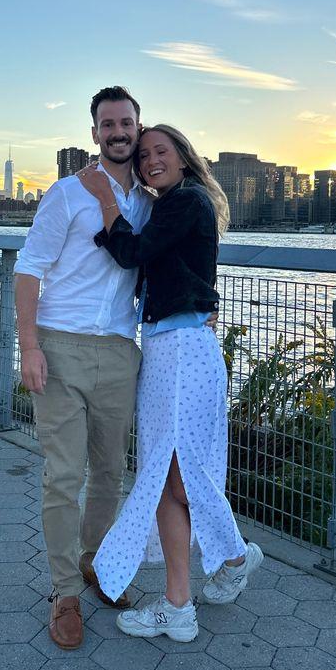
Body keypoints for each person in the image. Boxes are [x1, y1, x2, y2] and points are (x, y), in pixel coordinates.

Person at [77, 124, 263, 642]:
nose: (151, 160)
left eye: (161, 151)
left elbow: (132, 253)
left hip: (181, 351)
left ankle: (204, 582)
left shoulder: (186, 201)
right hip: (169, 348)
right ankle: (214, 571)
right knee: (170, 477)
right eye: (144, 156)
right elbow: (169, 269)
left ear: (183, 156)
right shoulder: (175, 205)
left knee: (172, 476)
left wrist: (102, 200)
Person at [14, 86, 152, 650]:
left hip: (121, 350)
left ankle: (97, 567)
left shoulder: (150, 203)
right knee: (63, 476)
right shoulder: (66, 194)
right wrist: (29, 347)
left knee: (109, 473)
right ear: (94, 133)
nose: (118, 132)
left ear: (137, 130)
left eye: (127, 123)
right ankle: (64, 592)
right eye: (108, 124)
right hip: (61, 345)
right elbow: (28, 270)